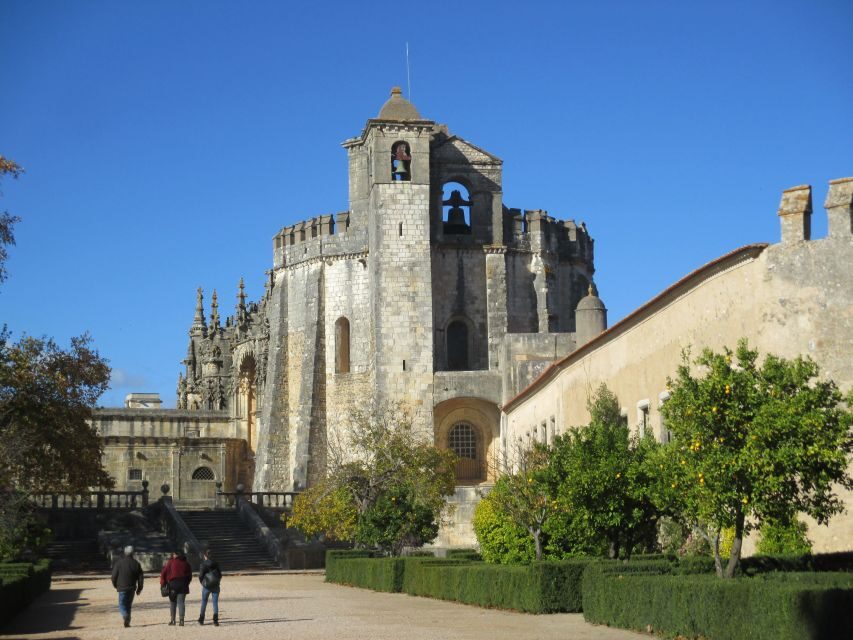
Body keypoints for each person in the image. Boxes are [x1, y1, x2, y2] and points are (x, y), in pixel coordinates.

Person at [111, 545, 144, 628]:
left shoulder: (119, 563)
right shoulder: (136, 564)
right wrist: (139, 589)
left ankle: (125, 616)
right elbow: (141, 578)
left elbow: (113, 576)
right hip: (132, 588)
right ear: (133, 553)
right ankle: (127, 622)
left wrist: (115, 585)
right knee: (128, 605)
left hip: (122, 587)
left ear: (125, 553)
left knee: (122, 604)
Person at [160, 549, 193, 626]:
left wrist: (163, 584)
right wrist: (186, 583)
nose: (173, 555)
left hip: (173, 584)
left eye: (174, 554)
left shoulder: (171, 562)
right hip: (183, 584)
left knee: (173, 602)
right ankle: (181, 621)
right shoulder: (186, 563)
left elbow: (163, 573)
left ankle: (173, 620)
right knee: (181, 603)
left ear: (177, 555)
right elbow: (189, 576)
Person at [197, 548, 222, 626]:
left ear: (205, 556)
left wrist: (202, 583)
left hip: (206, 586)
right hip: (215, 585)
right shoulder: (216, 563)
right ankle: (215, 620)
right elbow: (220, 575)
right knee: (215, 603)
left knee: (204, 602)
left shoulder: (203, 564)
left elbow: (200, 576)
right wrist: (217, 581)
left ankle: (201, 619)